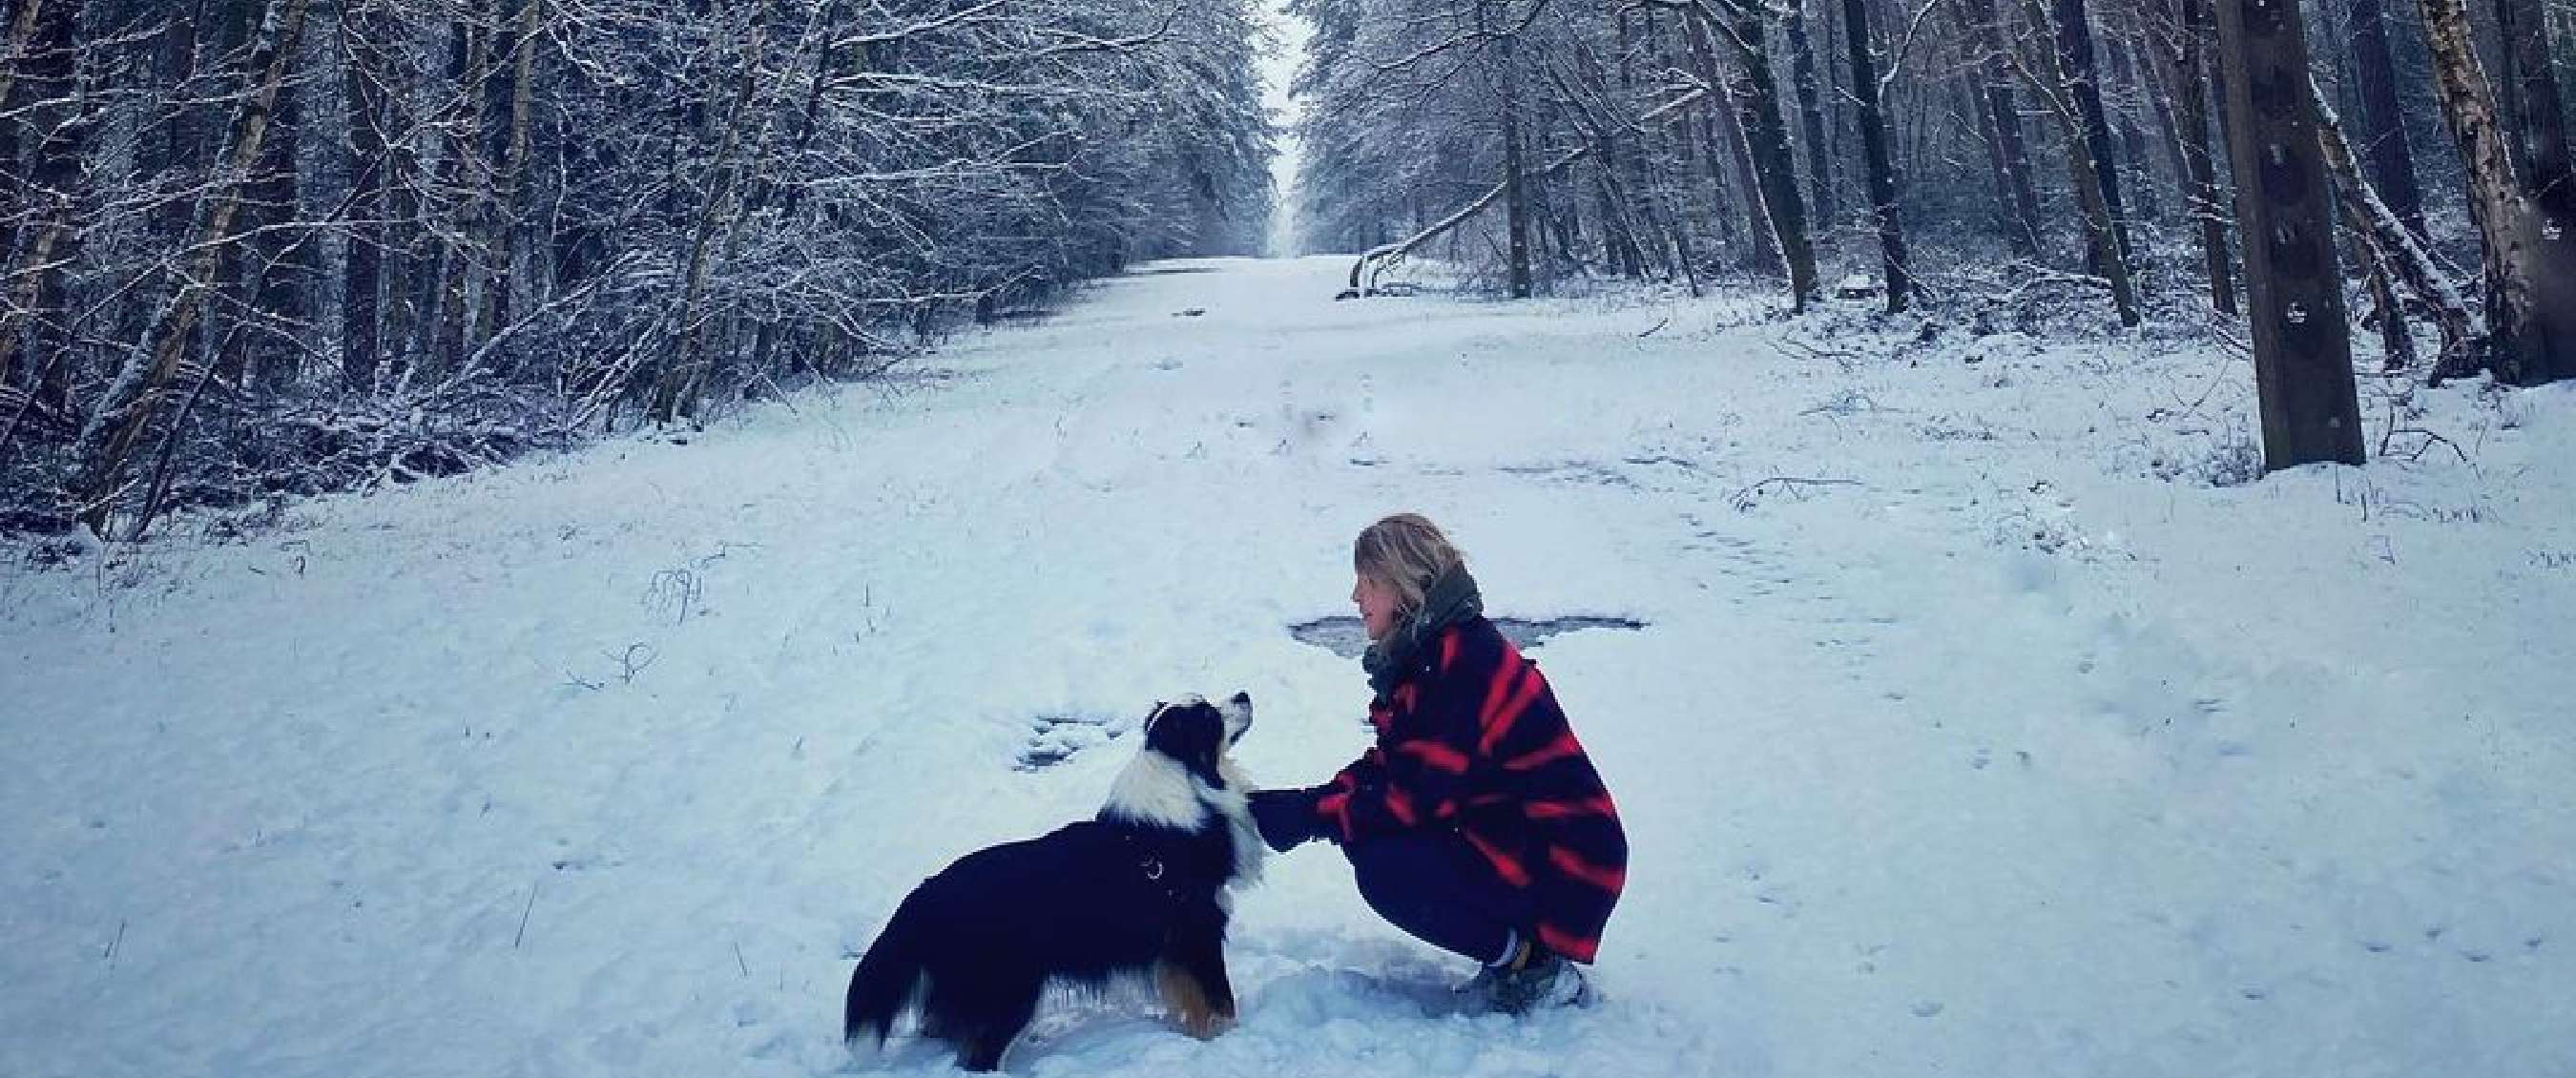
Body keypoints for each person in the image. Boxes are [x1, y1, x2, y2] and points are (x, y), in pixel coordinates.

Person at [1250, 514, 1629, 1014]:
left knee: (1387, 868)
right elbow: (1396, 765)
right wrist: (1309, 804)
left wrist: (1311, 816)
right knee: (1372, 837)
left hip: (1566, 858)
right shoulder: (1435, 652)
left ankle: (1534, 966)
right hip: (1520, 837)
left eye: (1366, 583)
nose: (1355, 599)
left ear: (1402, 587)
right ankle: (1516, 954)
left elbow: (1412, 799)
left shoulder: (1461, 665)